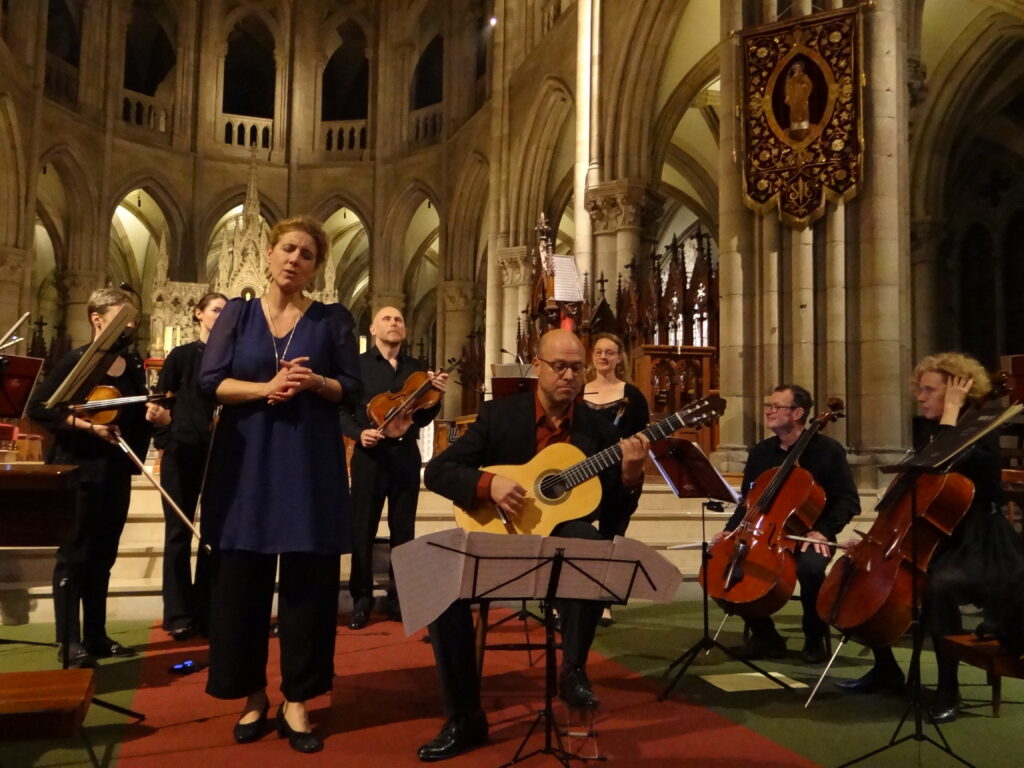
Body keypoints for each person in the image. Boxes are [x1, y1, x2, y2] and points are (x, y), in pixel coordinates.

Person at [416, 329, 648, 762]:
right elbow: (440, 471)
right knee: (439, 581)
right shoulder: (498, 416)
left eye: (576, 367)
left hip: (561, 548)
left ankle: (573, 669)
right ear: (536, 366)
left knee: (589, 544)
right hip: (498, 537)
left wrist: (631, 478)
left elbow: (613, 519)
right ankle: (465, 715)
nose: (568, 375)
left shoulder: (598, 430)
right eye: (558, 366)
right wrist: (490, 483)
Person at [197, 216, 361, 753]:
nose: (294, 259)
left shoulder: (332, 320)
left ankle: (298, 698)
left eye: (307, 254)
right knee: (241, 584)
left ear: (316, 267)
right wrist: (265, 387)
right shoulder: (238, 315)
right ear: (268, 254)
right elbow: (211, 382)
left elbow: (351, 389)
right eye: (287, 248)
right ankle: (251, 695)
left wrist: (315, 382)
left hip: (308, 465)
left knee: (308, 587)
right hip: (245, 465)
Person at [836, 353, 1024, 723]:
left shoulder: (983, 432)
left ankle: (947, 688)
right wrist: (876, 539)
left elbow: (945, 470)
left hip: (977, 542)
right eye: (919, 390)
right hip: (936, 536)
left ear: (957, 390)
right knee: (860, 578)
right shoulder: (936, 432)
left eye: (929, 390)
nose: (920, 398)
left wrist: (953, 413)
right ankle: (887, 669)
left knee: (938, 587)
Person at [27, 287, 151, 668]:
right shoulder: (77, 361)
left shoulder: (129, 364)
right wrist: (86, 426)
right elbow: (40, 410)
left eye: (131, 316)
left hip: (113, 470)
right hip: (78, 469)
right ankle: (69, 640)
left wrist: (152, 417)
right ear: (98, 319)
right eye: (121, 316)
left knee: (103, 556)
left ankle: (96, 635)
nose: (129, 323)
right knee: (75, 557)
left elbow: (134, 413)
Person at [710, 384, 860, 664]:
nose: (769, 411)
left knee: (811, 569)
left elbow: (848, 500)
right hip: (765, 534)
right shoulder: (761, 452)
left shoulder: (827, 451)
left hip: (809, 535)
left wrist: (823, 531)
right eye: (769, 405)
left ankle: (814, 638)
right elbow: (749, 502)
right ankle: (766, 635)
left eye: (777, 406)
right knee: (721, 566)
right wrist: (730, 530)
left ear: (798, 413)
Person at [339, 305, 448, 630]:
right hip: (369, 457)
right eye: (386, 319)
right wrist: (360, 434)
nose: (393, 323)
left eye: (399, 319)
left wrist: (437, 397)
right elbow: (341, 413)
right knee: (362, 528)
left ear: (405, 329)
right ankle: (362, 600)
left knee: (405, 531)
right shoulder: (356, 367)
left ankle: (400, 600)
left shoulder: (417, 371)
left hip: (404, 457)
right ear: (373, 328)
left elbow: (423, 417)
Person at [145, 291, 228, 640]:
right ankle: (178, 613)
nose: (221, 316)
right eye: (215, 310)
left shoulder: (233, 359)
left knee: (214, 535)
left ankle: (207, 610)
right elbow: (159, 404)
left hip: (220, 457)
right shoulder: (181, 356)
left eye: (226, 312)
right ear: (198, 314)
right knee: (178, 533)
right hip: (182, 454)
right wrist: (167, 437)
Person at [582, 331, 649, 624]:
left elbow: (644, 435)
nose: (603, 357)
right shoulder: (580, 391)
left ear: (619, 357)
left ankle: (604, 601)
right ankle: (569, 597)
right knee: (577, 535)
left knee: (612, 537)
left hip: (620, 473)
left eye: (609, 352)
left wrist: (631, 459)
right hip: (581, 473)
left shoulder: (631, 394)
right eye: (598, 352)